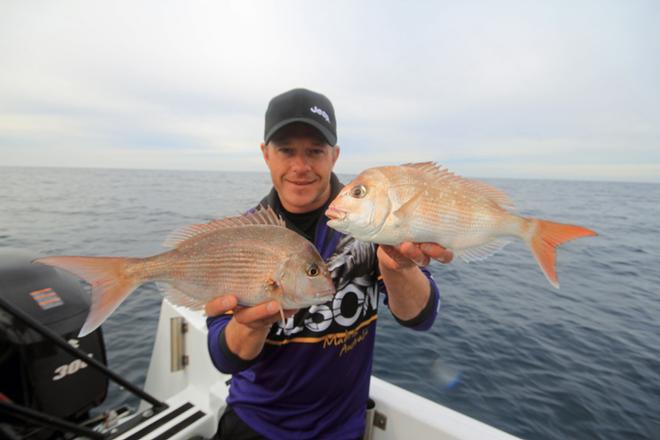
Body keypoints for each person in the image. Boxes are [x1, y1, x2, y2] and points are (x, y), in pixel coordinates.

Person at [205, 88, 453, 439]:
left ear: (334, 155)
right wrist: (251, 327)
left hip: (340, 430)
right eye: (286, 150)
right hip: (255, 424)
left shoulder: (370, 220)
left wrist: (398, 267)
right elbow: (223, 357)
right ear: (266, 154)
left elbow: (422, 317)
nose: (300, 167)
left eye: (315, 151)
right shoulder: (243, 237)